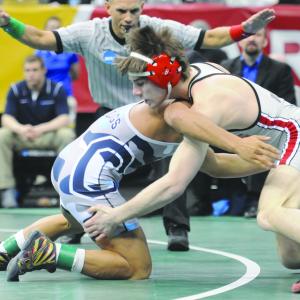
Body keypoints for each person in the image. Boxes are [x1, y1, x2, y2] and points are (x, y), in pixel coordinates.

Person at [0, 3, 275, 250]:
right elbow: (41, 38)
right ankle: (53, 254)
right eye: (122, 11)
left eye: (135, 10)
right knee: (136, 267)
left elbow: (212, 163)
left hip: (75, 160)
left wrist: (274, 160)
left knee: (73, 219)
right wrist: (240, 144)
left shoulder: (160, 33)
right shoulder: (176, 111)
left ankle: (8, 247)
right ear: (107, 7)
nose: (129, 17)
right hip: (105, 131)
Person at [80, 28, 300, 295]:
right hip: (285, 145)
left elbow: (174, 184)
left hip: (294, 136)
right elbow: (215, 166)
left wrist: (115, 216)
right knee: (291, 257)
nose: (136, 93)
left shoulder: (207, 106)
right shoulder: (199, 72)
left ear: (164, 78)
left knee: (268, 214)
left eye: (140, 83)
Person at [221, 27, 296, 218]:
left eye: (258, 35)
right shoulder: (225, 67)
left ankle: (254, 199)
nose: (252, 39)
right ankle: (211, 200)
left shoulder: (281, 70)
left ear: (264, 41)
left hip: (269, 129)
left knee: (258, 141)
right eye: (247, 36)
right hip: (232, 129)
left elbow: (289, 105)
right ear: (239, 42)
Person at [0, 55, 75, 208]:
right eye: (27, 70)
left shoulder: (57, 89)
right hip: (23, 136)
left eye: (35, 70)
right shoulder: (15, 89)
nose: (31, 74)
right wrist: (20, 129)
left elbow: (64, 119)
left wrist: (40, 129)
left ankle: (66, 189)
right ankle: (7, 189)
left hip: (47, 135)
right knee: (2, 135)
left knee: (67, 135)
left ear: (43, 71)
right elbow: (6, 118)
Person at [35, 16, 80, 125]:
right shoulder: (39, 53)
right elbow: (36, 77)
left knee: (68, 130)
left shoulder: (70, 51)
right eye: (50, 28)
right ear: (44, 30)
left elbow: (76, 74)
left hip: (66, 95)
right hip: (45, 97)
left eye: (56, 28)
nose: (52, 31)